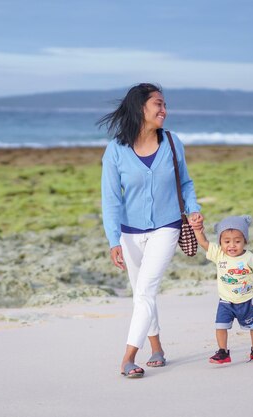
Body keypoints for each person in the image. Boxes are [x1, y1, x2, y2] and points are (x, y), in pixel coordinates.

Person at [98, 83, 203, 378]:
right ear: (140, 108)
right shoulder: (116, 151)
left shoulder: (172, 142)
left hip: (166, 227)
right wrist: (113, 240)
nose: (164, 110)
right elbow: (111, 199)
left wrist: (193, 208)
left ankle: (128, 357)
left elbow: (186, 183)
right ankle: (157, 348)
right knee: (142, 294)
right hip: (129, 233)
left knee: (145, 290)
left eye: (165, 104)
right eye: (158, 104)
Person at [189, 215, 253, 363]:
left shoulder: (249, 257)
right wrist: (197, 229)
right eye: (226, 241)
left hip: (248, 300)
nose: (232, 245)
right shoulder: (219, 254)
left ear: (245, 241)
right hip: (226, 301)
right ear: (220, 241)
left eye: (237, 241)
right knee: (220, 326)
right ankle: (223, 351)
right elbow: (203, 242)